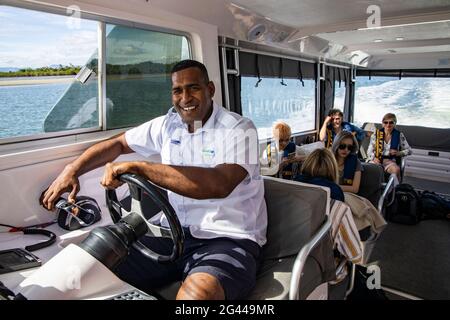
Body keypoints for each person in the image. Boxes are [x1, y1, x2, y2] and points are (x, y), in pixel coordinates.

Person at [39, 59, 267, 300]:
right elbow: (118, 143)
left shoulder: (240, 129)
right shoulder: (168, 125)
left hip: (226, 239)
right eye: (177, 90)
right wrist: (72, 169)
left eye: (194, 88)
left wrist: (144, 168)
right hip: (172, 236)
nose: (185, 98)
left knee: (197, 296)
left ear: (210, 89)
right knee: (82, 269)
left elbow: (218, 184)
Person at [293, 148, 362, 282]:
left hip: (287, 260)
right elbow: (355, 255)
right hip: (322, 270)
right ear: (333, 170)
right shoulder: (337, 207)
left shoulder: (287, 196)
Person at [367, 113, 412, 180]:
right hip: (376, 160)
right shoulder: (376, 134)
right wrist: (374, 158)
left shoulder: (399, 135)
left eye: (391, 122)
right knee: (368, 170)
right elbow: (369, 151)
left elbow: (409, 150)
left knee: (396, 170)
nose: (388, 125)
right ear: (382, 123)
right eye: (386, 122)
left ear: (394, 124)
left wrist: (399, 153)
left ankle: (393, 189)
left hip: (390, 162)